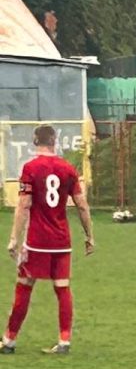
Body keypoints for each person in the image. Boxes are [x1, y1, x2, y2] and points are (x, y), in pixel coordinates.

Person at [3, 125, 94, 355]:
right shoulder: (67, 169)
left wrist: (14, 239)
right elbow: (82, 205)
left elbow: (24, 205)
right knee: (62, 288)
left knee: (24, 286)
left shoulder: (31, 168)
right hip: (62, 240)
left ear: (35, 141)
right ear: (55, 141)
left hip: (37, 241)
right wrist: (89, 236)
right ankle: (64, 341)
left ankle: (9, 340)